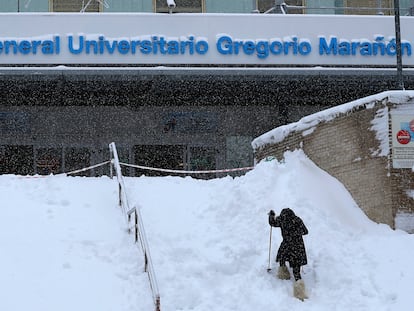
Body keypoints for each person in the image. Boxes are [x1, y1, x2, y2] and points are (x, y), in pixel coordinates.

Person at [268, 208, 309, 301]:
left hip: (287, 244)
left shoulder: (282, 219)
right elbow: (305, 231)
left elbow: (272, 223)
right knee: (296, 269)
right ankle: (300, 291)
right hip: (298, 246)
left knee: (281, 257)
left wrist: (271, 215)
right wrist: (296, 233)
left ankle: (284, 273)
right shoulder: (297, 219)